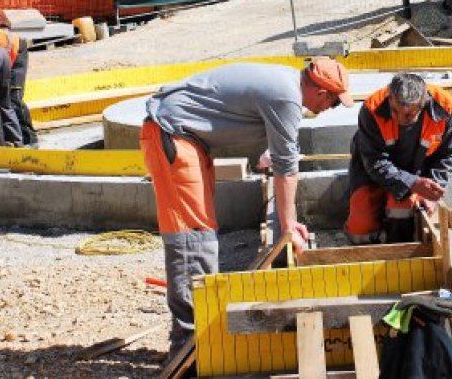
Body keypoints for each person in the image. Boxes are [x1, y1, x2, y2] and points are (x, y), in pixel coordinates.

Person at [140, 57, 353, 358]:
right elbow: (286, 168)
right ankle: (190, 351)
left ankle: (198, 341)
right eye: (332, 103)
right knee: (193, 241)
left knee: (199, 235)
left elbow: (258, 129)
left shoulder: (284, 84)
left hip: (185, 136)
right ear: (321, 92)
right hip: (173, 133)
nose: (327, 109)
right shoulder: (287, 96)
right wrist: (289, 226)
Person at [345, 73, 452, 245]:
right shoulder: (372, 108)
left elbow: (448, 154)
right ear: (390, 98)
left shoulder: (446, 107)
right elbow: (375, 162)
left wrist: (432, 188)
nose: (399, 119)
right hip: (372, 170)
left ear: (423, 104)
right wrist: (412, 183)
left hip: (418, 168)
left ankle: (400, 245)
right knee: (360, 227)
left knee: (401, 207)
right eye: (394, 111)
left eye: (408, 116)